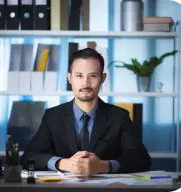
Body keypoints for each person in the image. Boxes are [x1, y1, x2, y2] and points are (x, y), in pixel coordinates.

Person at [20, 48, 151, 174]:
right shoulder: (53, 116)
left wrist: (104, 166)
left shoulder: (119, 116)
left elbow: (141, 159)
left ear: (103, 78)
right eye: (79, 76)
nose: (85, 83)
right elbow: (29, 157)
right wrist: (63, 163)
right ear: (70, 78)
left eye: (92, 76)